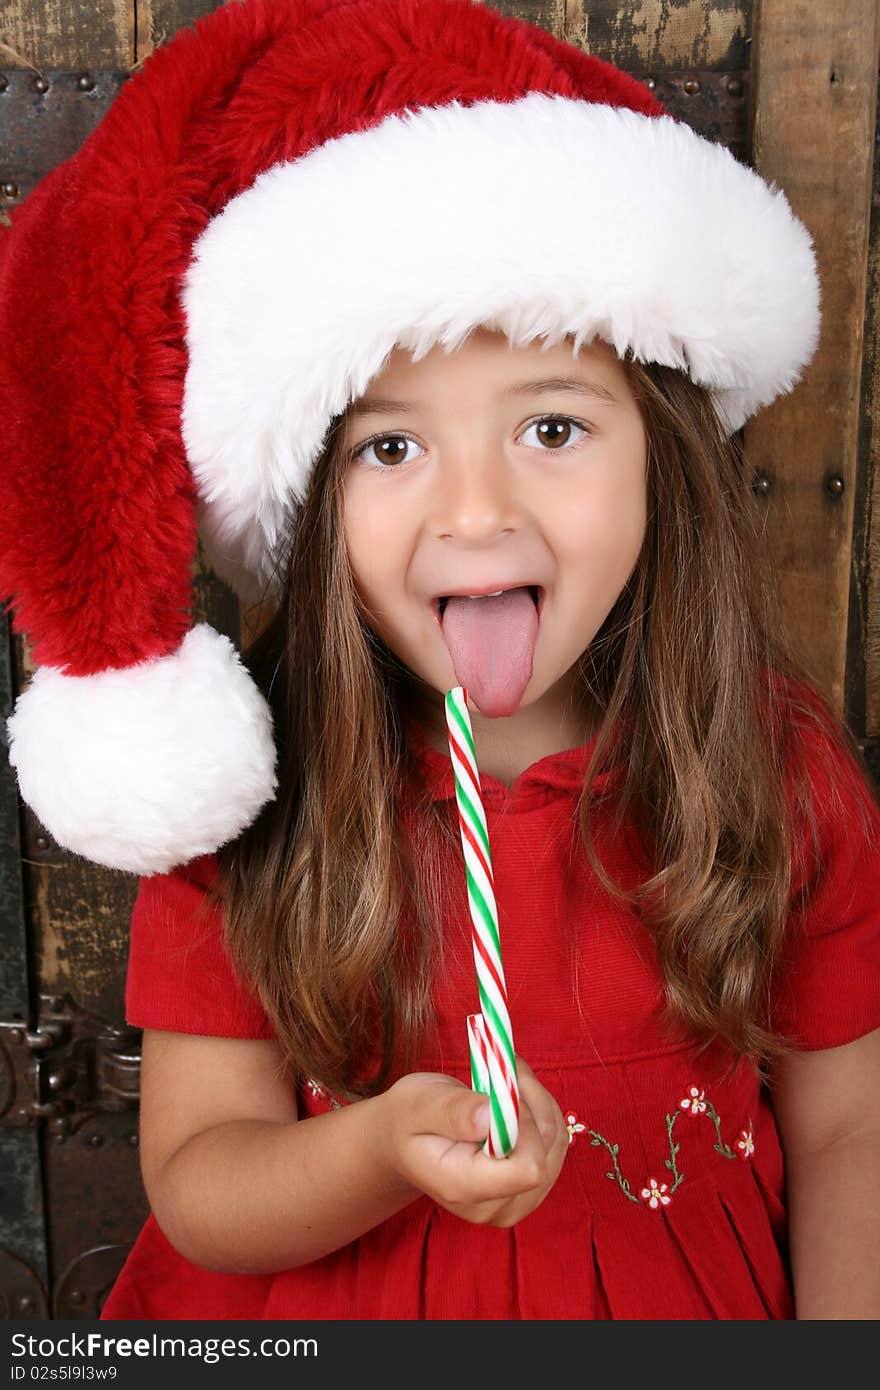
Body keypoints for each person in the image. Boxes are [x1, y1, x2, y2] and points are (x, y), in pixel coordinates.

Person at [0, 0, 877, 1321]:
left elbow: (846, 1131)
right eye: (392, 448)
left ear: (667, 458)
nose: (477, 512)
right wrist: (375, 1148)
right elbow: (199, 1182)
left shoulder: (776, 763)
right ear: (313, 505)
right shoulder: (256, 800)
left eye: (553, 427)